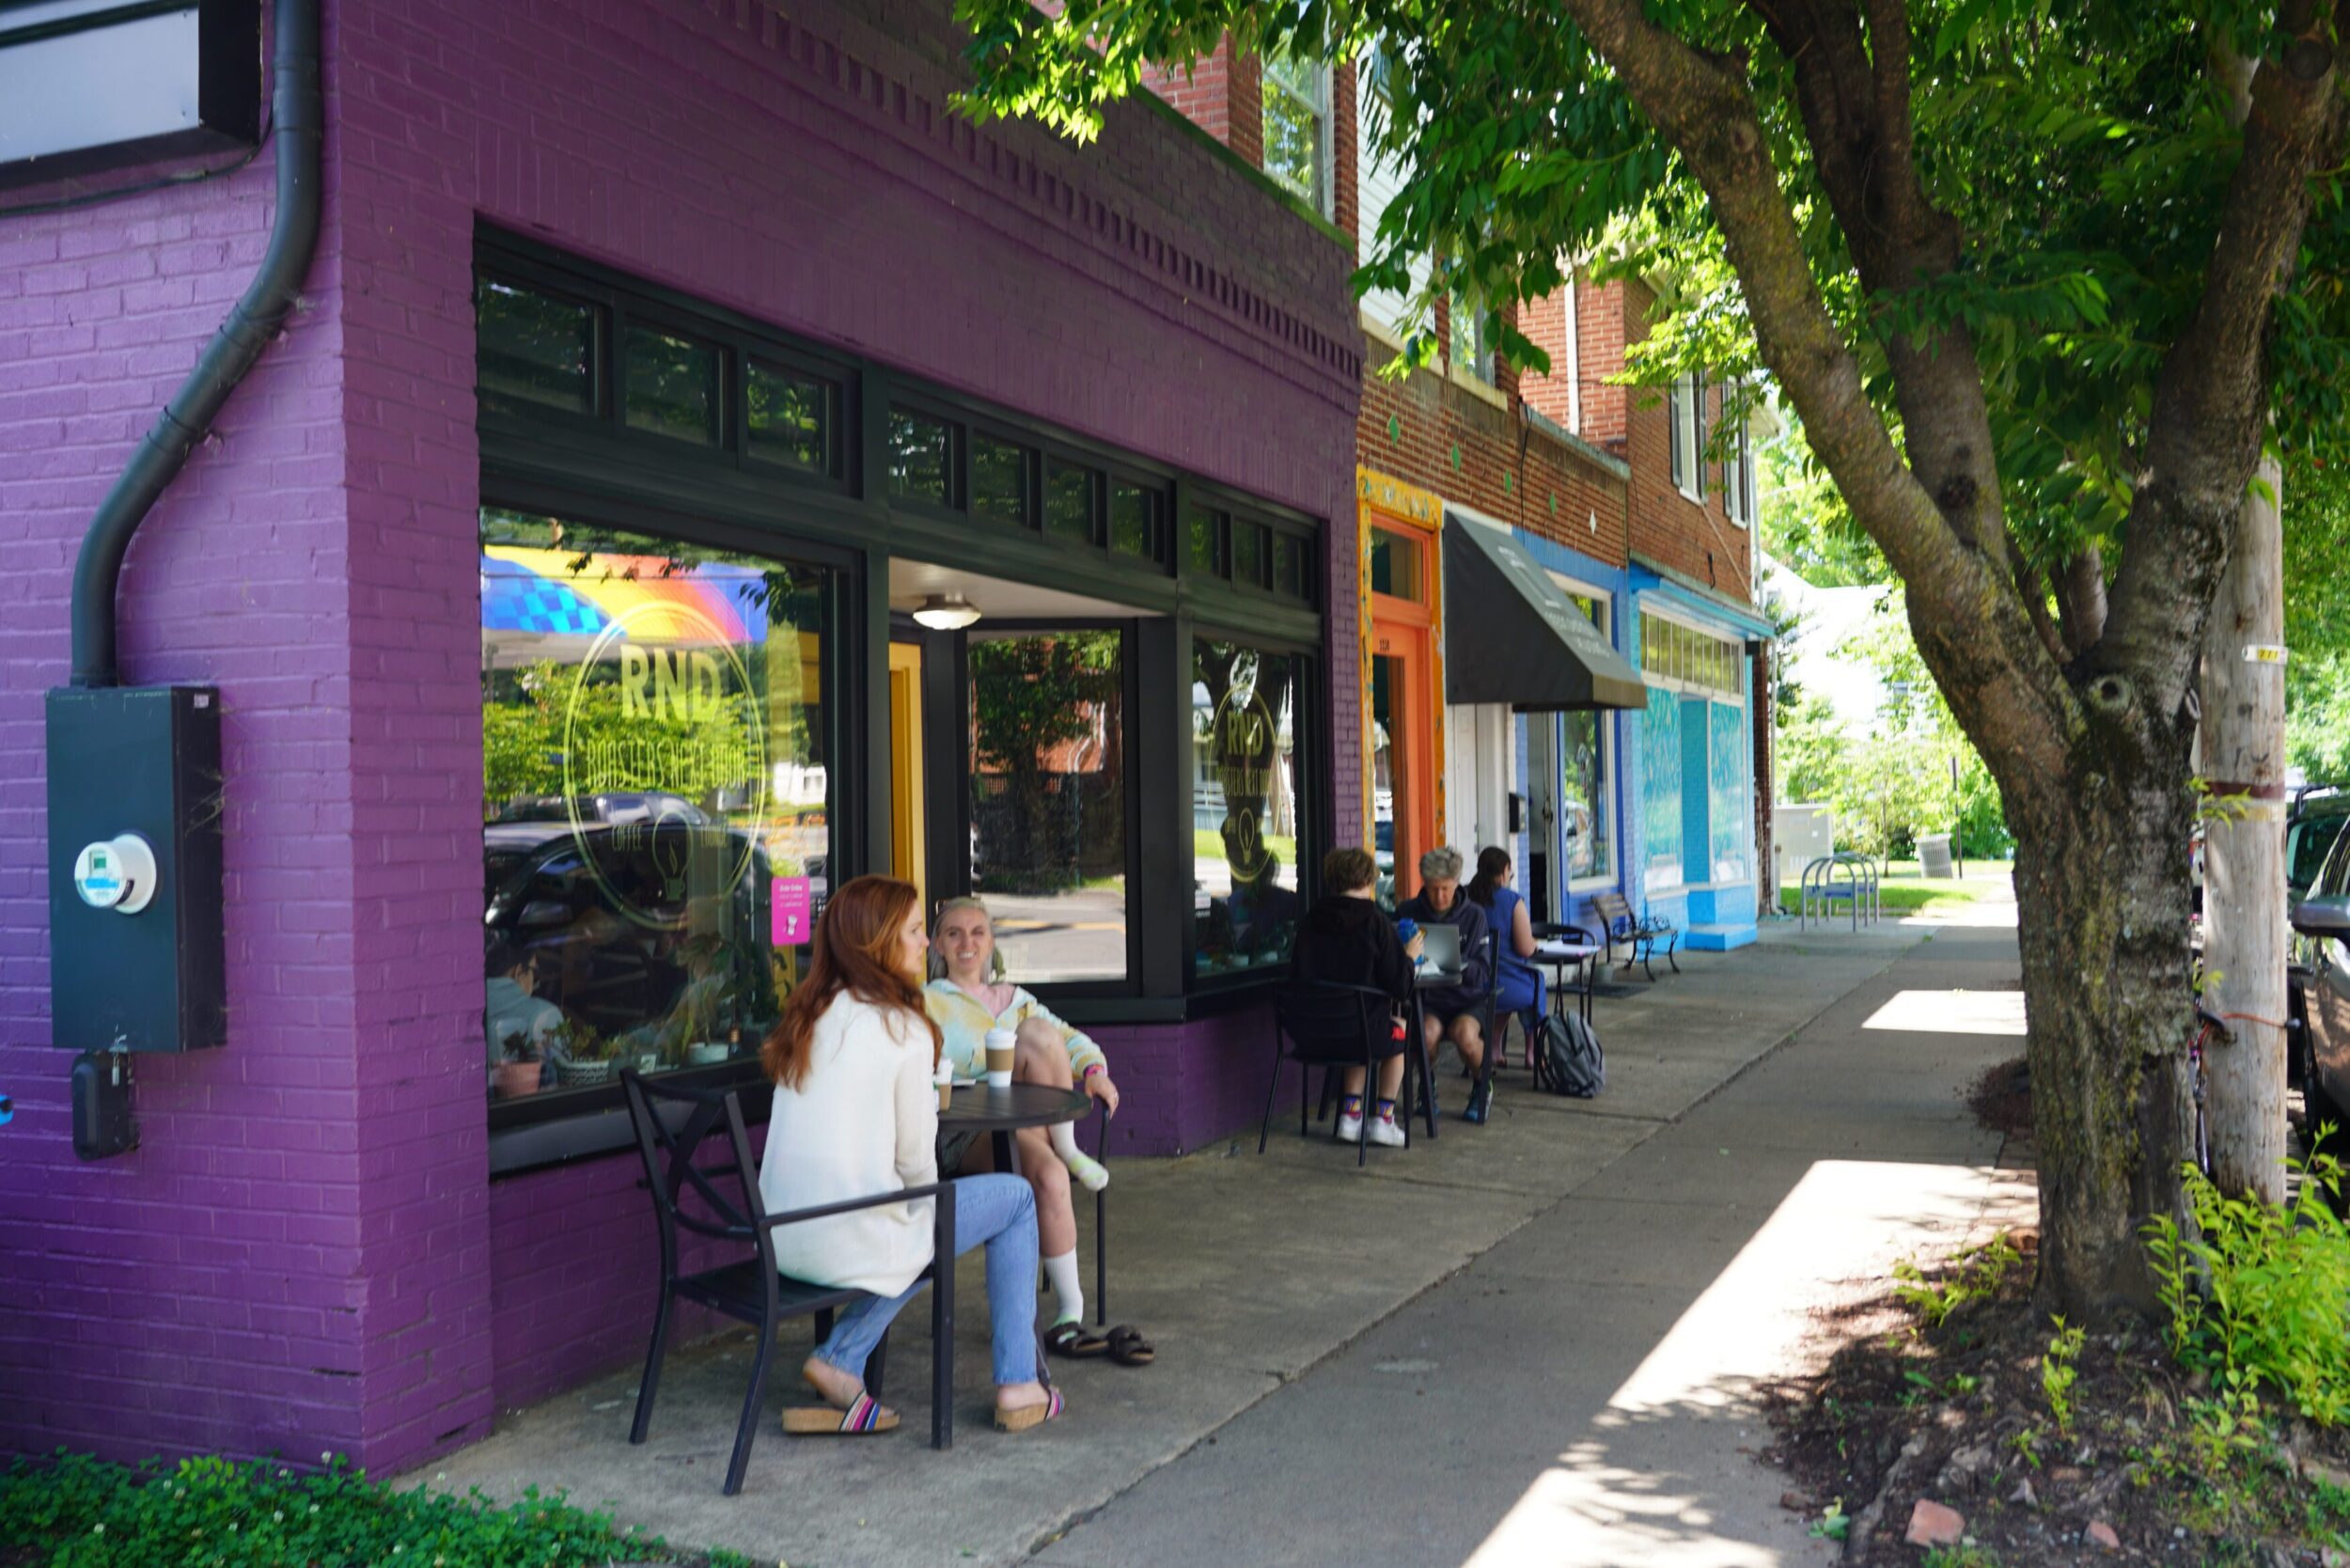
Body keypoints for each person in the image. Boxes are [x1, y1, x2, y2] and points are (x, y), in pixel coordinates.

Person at [760, 875, 1064, 1435]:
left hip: (781, 1236)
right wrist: (935, 1198)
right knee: (1011, 1199)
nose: (927, 945)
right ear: (879, 944)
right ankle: (1020, 1383)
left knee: (922, 1220)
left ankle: (842, 1361)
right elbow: (917, 1165)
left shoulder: (808, 1016)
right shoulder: (903, 1028)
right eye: (917, 932)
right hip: (847, 1241)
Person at [926, 898, 1153, 1366]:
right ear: (937, 944)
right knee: (1029, 1044)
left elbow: (1072, 1040)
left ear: (991, 943)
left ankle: (1069, 1316)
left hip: (1028, 1126)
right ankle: (1067, 1147)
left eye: (977, 933)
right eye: (954, 933)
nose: (967, 943)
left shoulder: (1018, 998)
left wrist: (1092, 1069)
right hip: (969, 1133)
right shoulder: (926, 1002)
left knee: (1040, 1038)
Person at [1290, 846, 1422, 1147]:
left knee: (1363, 1019)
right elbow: (1400, 986)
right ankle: (1384, 1119)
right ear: (1369, 879)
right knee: (1396, 1027)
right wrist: (1410, 957)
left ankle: (1350, 1116)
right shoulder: (1375, 921)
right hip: (1358, 1032)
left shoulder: (1311, 919)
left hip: (1308, 1034)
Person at [1396, 846, 1492, 1108]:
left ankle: (1483, 1084)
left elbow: (1484, 971)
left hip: (1466, 999)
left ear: (1457, 883)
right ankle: (1428, 1086)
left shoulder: (1474, 916)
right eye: (1433, 888)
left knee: (1465, 1036)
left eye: (1446, 889)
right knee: (1425, 1035)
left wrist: (1458, 962)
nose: (1439, 896)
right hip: (1427, 999)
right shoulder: (1408, 911)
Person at [1463, 847, 1544, 1121]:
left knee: (1503, 994)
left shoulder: (1465, 896)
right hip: (1505, 979)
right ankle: (1533, 1052)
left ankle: (1494, 1048)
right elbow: (1525, 948)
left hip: (1472, 980)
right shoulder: (1512, 901)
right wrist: (1535, 946)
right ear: (1504, 871)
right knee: (1536, 981)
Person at [484, 938, 562, 1077]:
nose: (535, 982)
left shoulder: (471, 1013)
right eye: (535, 973)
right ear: (519, 972)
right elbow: (563, 1076)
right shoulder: (545, 1015)